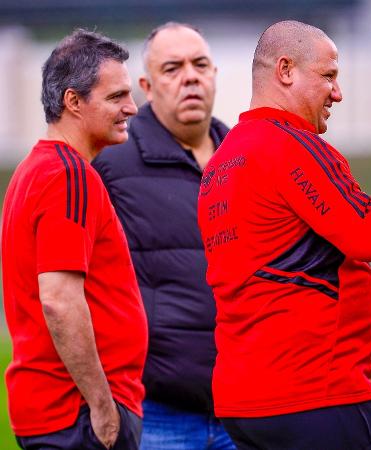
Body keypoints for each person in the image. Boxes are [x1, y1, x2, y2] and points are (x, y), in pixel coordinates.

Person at [197, 20, 371, 449]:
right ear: (286, 70)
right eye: (328, 75)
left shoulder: (222, 162)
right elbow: (368, 234)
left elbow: (267, 279)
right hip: (314, 399)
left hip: (244, 405)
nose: (338, 92)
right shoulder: (290, 144)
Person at [1, 29, 147, 450]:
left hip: (58, 414)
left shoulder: (36, 170)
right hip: (78, 416)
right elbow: (58, 300)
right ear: (73, 101)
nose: (131, 108)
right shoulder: (69, 174)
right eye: (116, 96)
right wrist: (103, 407)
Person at [92, 22, 234, 449]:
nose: (190, 76)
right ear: (146, 87)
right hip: (157, 412)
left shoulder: (246, 157)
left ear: (214, 74)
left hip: (248, 407)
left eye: (200, 64)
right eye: (172, 68)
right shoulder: (111, 163)